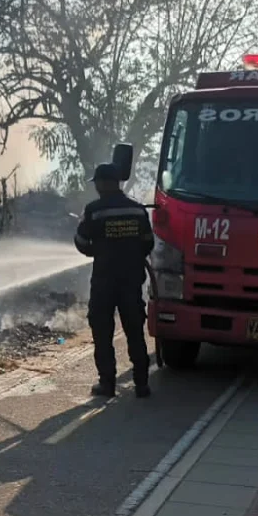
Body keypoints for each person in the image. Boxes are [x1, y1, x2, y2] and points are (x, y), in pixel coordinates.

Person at [74, 163, 154, 398]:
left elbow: (80, 241)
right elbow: (148, 242)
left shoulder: (94, 210)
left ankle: (107, 384)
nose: (96, 187)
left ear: (103, 183)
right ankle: (142, 384)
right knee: (134, 331)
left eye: (97, 182)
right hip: (131, 281)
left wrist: (95, 251)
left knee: (102, 330)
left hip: (104, 282)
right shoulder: (138, 210)